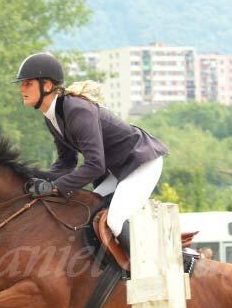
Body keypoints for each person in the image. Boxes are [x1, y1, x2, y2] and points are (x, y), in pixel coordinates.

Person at [13, 52, 169, 256]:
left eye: (28, 83)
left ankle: (153, 262)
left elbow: (95, 165)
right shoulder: (52, 116)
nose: (22, 88)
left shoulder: (77, 110)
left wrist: (55, 187)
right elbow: (66, 163)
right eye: (22, 84)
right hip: (118, 169)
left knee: (115, 220)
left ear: (47, 85)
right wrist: (36, 178)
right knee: (85, 209)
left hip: (141, 163)